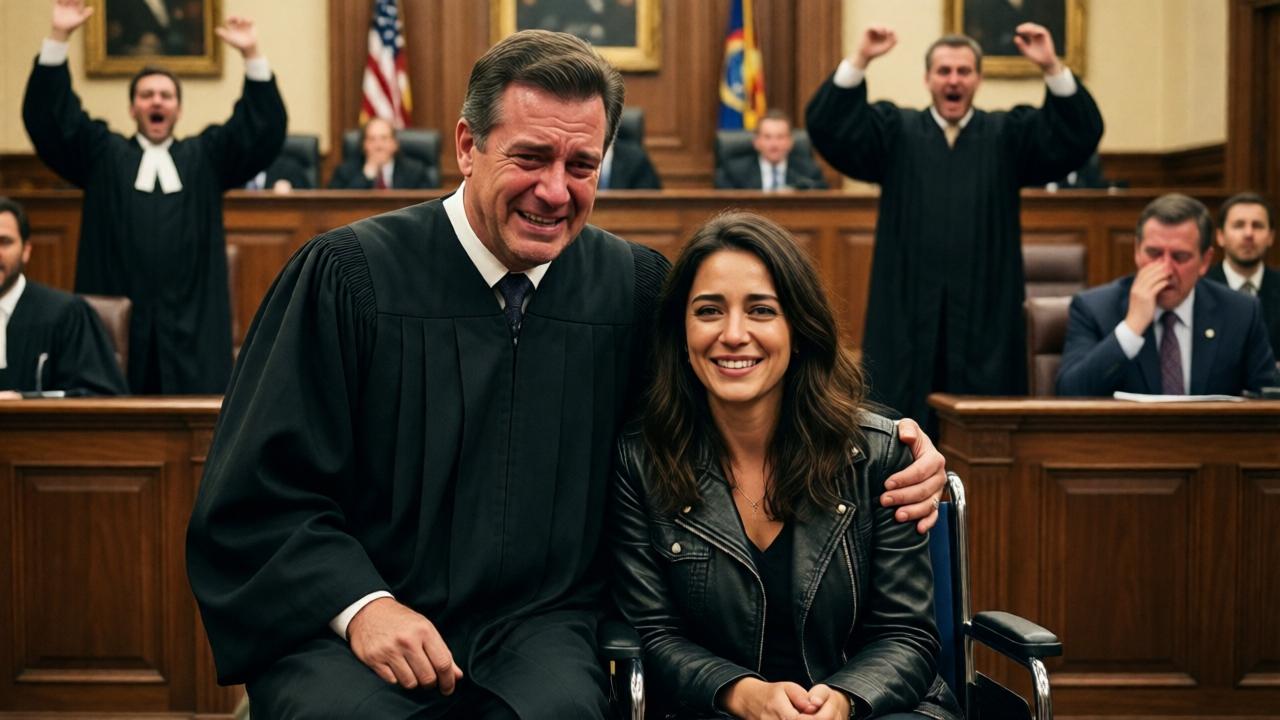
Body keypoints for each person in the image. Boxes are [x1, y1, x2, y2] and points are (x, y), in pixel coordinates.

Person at [187, 30, 949, 720]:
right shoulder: (350, 279)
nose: (555, 190)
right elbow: (259, 496)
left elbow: (739, 397)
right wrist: (361, 606)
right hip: (357, 633)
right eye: (530, 158)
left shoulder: (632, 290)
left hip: (543, 634)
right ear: (467, 145)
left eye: (581, 165)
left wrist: (899, 445)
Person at [610, 211, 960, 720]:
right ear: (681, 334)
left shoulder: (878, 455)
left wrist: (841, 701)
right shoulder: (641, 460)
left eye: (761, 310)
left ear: (798, 329)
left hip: (872, 710)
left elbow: (906, 634)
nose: (733, 334)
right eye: (709, 311)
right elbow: (653, 633)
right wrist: (743, 694)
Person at [805, 24, 1103, 428]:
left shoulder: (1007, 135)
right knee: (901, 423)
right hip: (906, 309)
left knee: (985, 427)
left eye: (964, 71)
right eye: (944, 71)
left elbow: (1078, 134)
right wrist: (861, 58)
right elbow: (828, 126)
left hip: (986, 312)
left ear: (978, 79)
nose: (953, 80)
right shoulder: (895, 132)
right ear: (928, 78)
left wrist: (1051, 65)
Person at [23, 0, 287, 395]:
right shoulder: (102, 154)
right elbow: (52, 121)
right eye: (147, 95)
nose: (157, 101)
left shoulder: (206, 157)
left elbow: (260, 129)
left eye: (166, 95)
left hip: (192, 324)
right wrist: (59, 37)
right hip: (119, 319)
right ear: (133, 108)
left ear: (178, 109)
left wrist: (252, 55)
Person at [1056, 194, 1277, 396]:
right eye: (1154, 254)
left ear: (1205, 261)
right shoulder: (1094, 308)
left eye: (1180, 257)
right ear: (1137, 251)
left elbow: (1269, 400)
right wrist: (1131, 328)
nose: (1166, 269)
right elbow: (1069, 392)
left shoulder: (1241, 312)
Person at [0, 197, 128, 398]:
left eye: (4, 242)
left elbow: (102, 397)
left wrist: (24, 401)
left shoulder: (67, 314)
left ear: (26, 250)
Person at [1206, 192, 1280, 358]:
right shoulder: (1200, 287)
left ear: (1271, 237)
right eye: (1238, 225)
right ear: (1220, 236)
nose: (1248, 234)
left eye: (1257, 226)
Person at [715, 109, 827, 191]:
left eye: (780, 137)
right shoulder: (734, 171)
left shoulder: (808, 172)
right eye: (767, 137)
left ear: (790, 142)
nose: (774, 144)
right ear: (756, 142)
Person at [328, 117, 434, 190]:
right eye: (372, 139)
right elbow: (337, 205)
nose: (378, 146)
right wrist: (366, 176)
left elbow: (428, 206)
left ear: (394, 144)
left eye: (384, 138)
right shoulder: (345, 172)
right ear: (364, 145)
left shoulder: (415, 171)